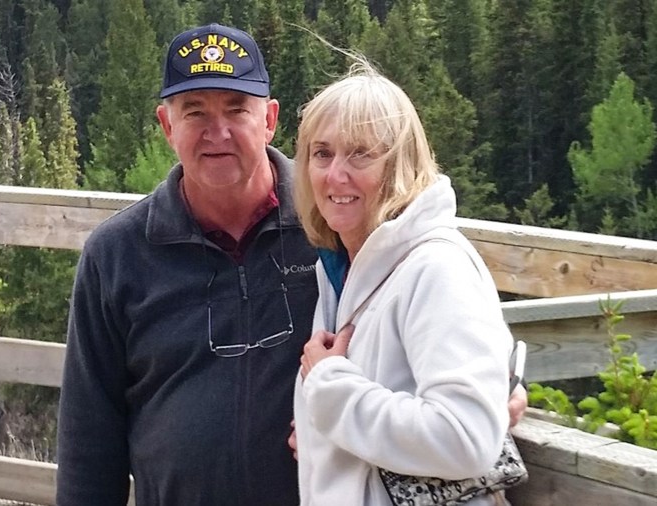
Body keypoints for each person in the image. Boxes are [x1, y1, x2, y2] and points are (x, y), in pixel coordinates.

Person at [56, 23, 527, 506]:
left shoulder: (332, 228)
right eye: (195, 112)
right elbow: (89, 431)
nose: (217, 132)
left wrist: (501, 384)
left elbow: (441, 317)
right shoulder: (118, 253)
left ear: (269, 119)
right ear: (166, 125)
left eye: (237, 109)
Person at [292, 61, 517, 505]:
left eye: (360, 153)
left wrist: (329, 389)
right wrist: (323, 429)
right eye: (322, 153)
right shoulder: (341, 266)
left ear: (399, 163)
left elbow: (465, 438)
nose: (336, 174)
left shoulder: (436, 268)